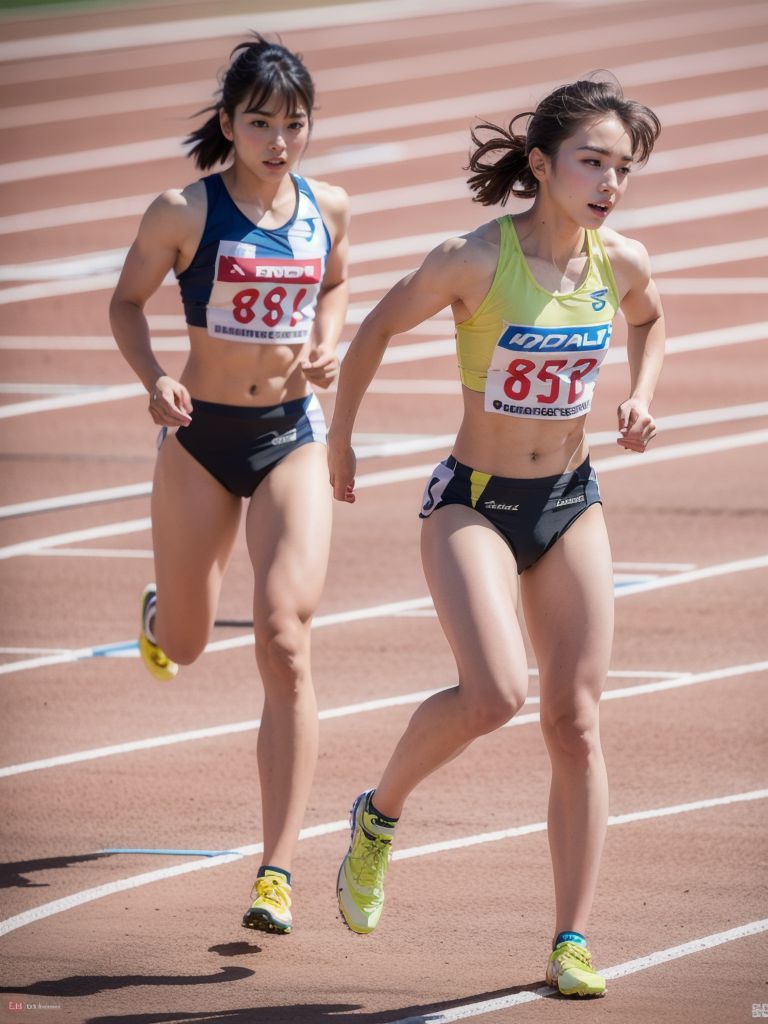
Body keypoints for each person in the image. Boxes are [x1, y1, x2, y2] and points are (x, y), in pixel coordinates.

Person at [327, 77, 663, 997]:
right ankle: (379, 816)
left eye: (621, 167)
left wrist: (640, 395)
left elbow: (651, 321)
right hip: (473, 501)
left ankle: (570, 940)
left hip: (570, 497)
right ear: (542, 164)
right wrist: (341, 441)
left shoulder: (619, 261)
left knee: (577, 720)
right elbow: (373, 331)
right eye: (592, 161)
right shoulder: (473, 258)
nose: (608, 181)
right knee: (494, 695)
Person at [110, 34, 349, 935]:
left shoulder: (329, 204)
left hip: (289, 435)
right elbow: (124, 302)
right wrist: (155, 380)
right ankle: (160, 613)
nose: (279, 141)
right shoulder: (182, 211)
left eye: (294, 124)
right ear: (229, 124)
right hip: (199, 437)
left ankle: (277, 868)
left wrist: (327, 337)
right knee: (190, 639)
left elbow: (335, 280)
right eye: (261, 123)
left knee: (286, 637)